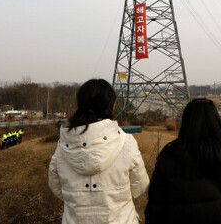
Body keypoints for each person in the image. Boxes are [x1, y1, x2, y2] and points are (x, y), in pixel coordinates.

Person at [48, 79, 149, 224]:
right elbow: (139, 186)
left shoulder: (64, 144)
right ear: (112, 106)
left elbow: (56, 186)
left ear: (80, 105)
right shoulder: (127, 142)